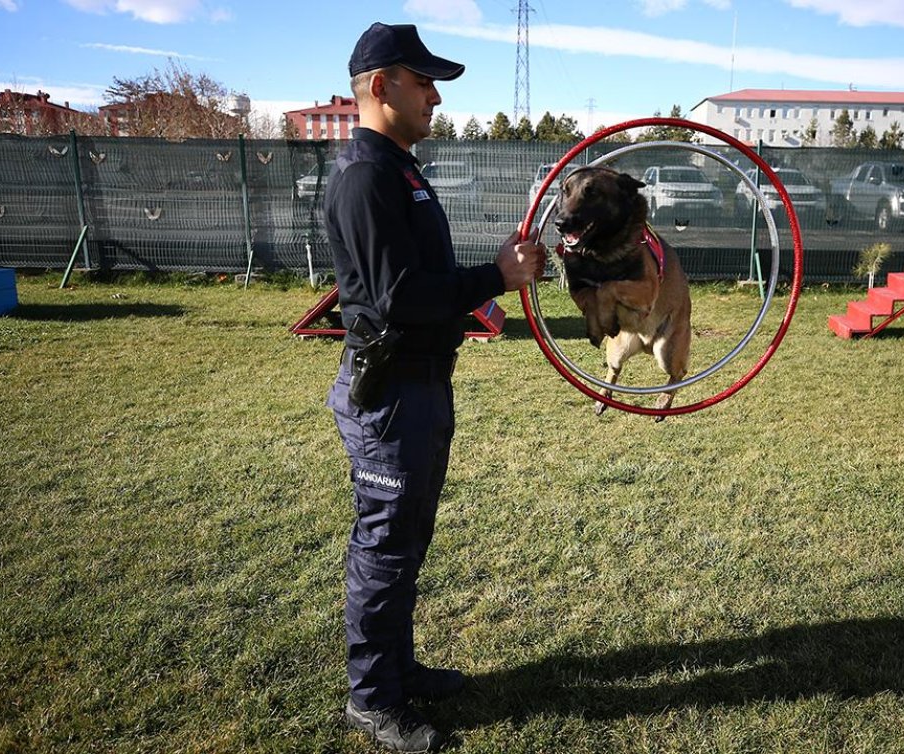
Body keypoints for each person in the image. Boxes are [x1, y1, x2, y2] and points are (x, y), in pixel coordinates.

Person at [321, 21, 547, 753]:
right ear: (381, 87)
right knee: (385, 547)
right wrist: (495, 277)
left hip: (421, 388)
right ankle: (373, 699)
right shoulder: (366, 177)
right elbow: (396, 299)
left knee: (407, 540)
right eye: (424, 84)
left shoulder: (401, 171)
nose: (436, 99)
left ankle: (398, 668)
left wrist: (484, 285)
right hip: (390, 399)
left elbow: (422, 285)